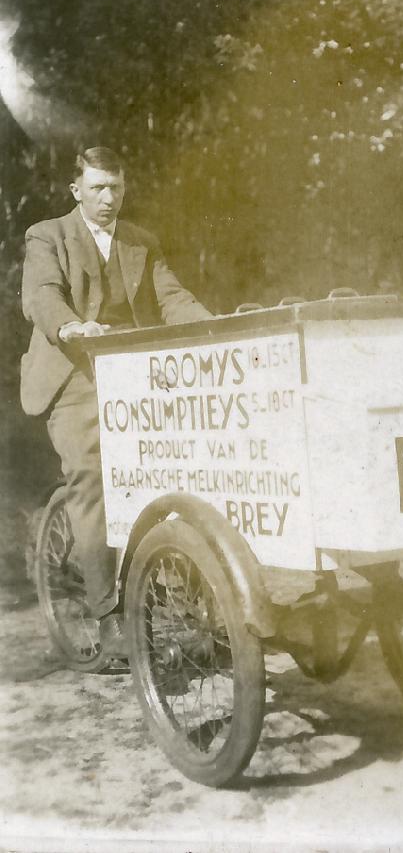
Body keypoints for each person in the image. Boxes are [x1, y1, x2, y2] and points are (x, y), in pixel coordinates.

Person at [20, 146, 212, 655]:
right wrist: (70, 325)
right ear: (76, 189)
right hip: (74, 374)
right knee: (92, 478)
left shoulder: (140, 242)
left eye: (117, 188)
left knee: (182, 467)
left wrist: (212, 324)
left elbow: (171, 297)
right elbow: (41, 295)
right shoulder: (48, 235)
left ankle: (187, 597)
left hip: (132, 374)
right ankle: (107, 616)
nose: (109, 198)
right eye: (99, 187)